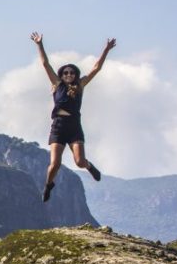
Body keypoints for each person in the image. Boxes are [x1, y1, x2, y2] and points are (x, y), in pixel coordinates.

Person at [30, 32, 116, 202]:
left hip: (74, 126)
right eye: (66, 73)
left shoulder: (81, 85)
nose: (69, 75)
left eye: (72, 73)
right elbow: (45, 64)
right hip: (58, 126)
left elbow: (96, 68)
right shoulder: (57, 84)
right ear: (62, 75)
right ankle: (48, 185)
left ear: (75, 75)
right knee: (55, 164)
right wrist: (39, 44)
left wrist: (106, 50)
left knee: (79, 162)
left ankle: (89, 166)